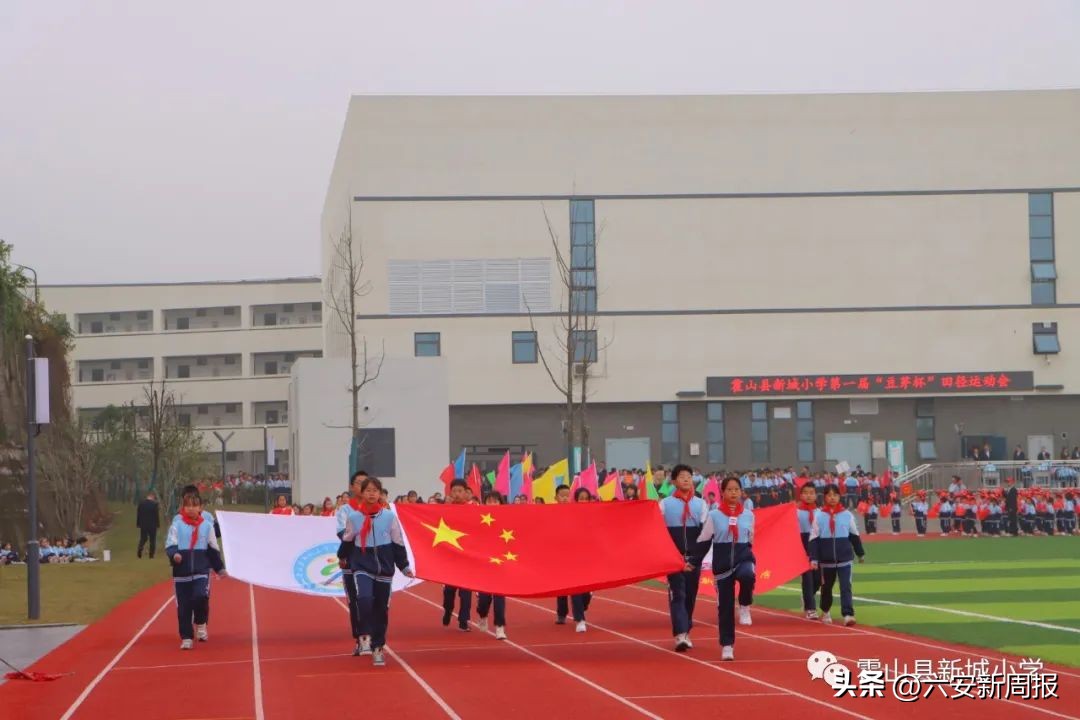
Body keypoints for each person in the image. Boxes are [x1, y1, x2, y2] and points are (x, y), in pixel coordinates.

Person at [340, 475, 414, 667]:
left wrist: (404, 566)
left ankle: (378, 647)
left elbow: (398, 543)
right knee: (363, 599)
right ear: (362, 494)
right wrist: (343, 557)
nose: (372, 494)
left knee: (381, 609)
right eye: (368, 490)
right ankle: (365, 632)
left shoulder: (389, 517)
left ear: (380, 494)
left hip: (384, 568)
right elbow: (347, 540)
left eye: (375, 490)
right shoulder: (354, 517)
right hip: (362, 566)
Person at [695, 476, 755, 662]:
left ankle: (745, 604)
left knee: (748, 575)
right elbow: (704, 540)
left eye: (736, 489)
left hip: (743, 557)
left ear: (741, 492)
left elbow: (750, 538)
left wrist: (744, 551)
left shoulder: (748, 515)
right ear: (722, 492)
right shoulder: (714, 516)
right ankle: (727, 645)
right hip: (722, 566)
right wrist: (693, 560)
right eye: (729, 489)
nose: (733, 493)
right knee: (725, 608)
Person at [165, 493, 227, 650]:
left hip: (201, 571)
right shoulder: (177, 525)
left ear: (200, 508)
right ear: (183, 508)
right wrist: (175, 554)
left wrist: (219, 568)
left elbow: (213, 549)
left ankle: (201, 623)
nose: (191, 508)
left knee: (200, 597)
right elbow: (170, 544)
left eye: (194, 505)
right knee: (184, 606)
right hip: (181, 574)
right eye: (188, 505)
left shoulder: (207, 526)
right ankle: (186, 637)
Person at [658, 464, 707, 652]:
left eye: (689, 476)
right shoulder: (665, 504)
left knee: (690, 597)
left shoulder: (701, 504)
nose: (686, 479)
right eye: (682, 476)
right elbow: (658, 532)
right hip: (674, 560)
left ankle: (686, 630)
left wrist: (694, 559)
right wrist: (673, 558)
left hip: (693, 559)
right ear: (674, 481)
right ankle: (680, 634)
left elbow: (704, 534)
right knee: (678, 595)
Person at [809, 484, 865, 627]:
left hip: (845, 559)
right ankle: (826, 610)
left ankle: (848, 614)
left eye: (835, 495)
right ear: (825, 497)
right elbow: (813, 539)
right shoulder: (819, 516)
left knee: (846, 586)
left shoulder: (847, 515)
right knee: (826, 587)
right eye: (829, 495)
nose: (832, 498)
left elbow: (854, 535)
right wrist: (814, 558)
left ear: (839, 497)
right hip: (826, 560)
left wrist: (860, 553)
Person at [338, 471, 369, 655]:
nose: (362, 486)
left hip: (374, 561)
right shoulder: (345, 510)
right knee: (356, 602)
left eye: (366, 483)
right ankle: (361, 637)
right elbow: (342, 534)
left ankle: (374, 635)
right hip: (352, 561)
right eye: (358, 483)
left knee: (374, 600)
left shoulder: (381, 509)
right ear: (352, 487)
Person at [476, 492, 509, 640]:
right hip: (484, 565)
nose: (493, 503)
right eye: (489, 501)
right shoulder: (479, 519)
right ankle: (482, 615)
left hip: (501, 564)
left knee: (499, 597)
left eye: (496, 501)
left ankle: (500, 627)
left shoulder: (508, 519)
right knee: (483, 599)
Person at [441, 480, 473, 631]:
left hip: (466, 558)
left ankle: (463, 619)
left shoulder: (473, 510)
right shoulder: (446, 510)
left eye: (460, 491)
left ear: (466, 493)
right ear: (450, 493)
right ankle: (448, 610)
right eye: (454, 491)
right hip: (450, 558)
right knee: (449, 591)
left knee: (466, 592)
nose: (457, 494)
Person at [568, 487, 596, 632]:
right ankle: (580, 619)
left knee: (586, 592)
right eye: (581, 498)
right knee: (576, 588)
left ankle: (583, 604)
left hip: (590, 558)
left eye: (586, 498)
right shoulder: (570, 516)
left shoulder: (594, 515)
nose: (584, 501)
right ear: (576, 499)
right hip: (573, 558)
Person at [796, 482, 821, 620]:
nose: (809, 496)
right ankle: (810, 608)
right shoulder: (796, 512)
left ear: (815, 495)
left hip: (816, 545)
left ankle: (807, 596)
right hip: (802, 545)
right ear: (801, 495)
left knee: (818, 578)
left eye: (811, 493)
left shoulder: (820, 512)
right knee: (808, 578)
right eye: (805, 493)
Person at [136, 491, 160, 559]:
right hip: (152, 525)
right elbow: (156, 515)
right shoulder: (155, 504)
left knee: (143, 538)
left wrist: (138, 524)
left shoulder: (141, 504)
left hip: (143, 524)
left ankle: (140, 548)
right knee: (152, 540)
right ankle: (151, 555)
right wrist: (157, 524)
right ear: (152, 497)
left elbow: (139, 515)